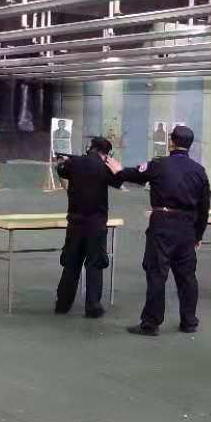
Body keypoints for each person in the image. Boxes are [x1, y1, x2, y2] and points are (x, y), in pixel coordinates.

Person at [117, 124, 210, 336]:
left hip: (163, 224)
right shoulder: (199, 171)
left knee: (157, 274)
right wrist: (198, 235)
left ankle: (151, 323)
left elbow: (133, 174)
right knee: (187, 277)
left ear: (171, 142)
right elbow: (204, 208)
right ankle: (189, 321)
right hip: (187, 227)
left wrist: (117, 169)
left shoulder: (159, 165)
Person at [54, 136, 123, 318]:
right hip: (96, 224)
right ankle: (93, 306)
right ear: (106, 154)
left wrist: (61, 162)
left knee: (71, 264)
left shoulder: (75, 163)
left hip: (75, 222)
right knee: (95, 264)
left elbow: (61, 171)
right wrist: (115, 166)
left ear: (90, 148)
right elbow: (118, 181)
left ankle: (62, 304)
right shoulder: (104, 167)